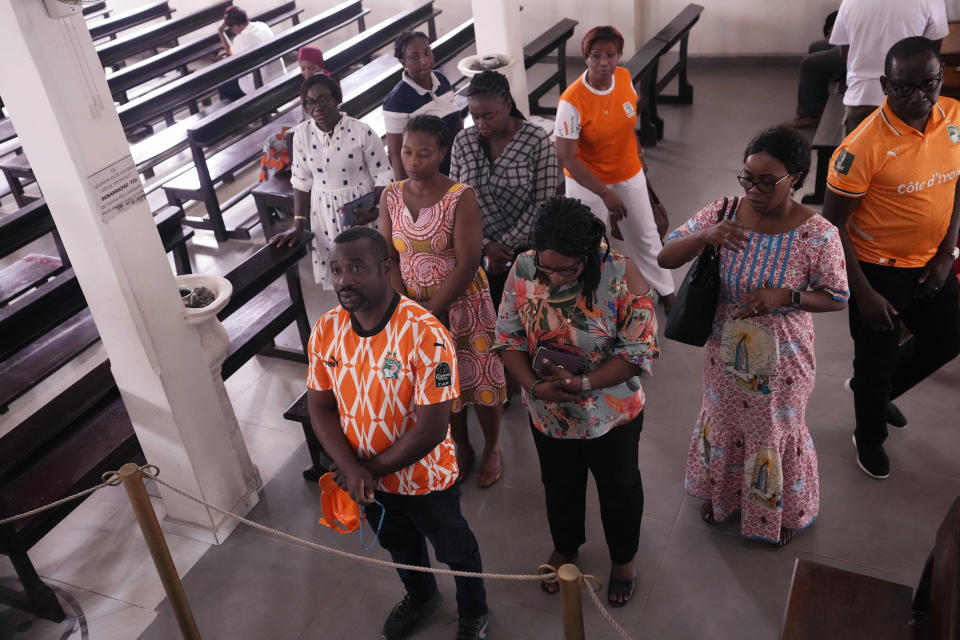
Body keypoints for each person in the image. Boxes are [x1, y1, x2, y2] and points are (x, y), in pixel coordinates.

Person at [658, 126, 849, 545]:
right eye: (748, 178)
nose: (755, 191)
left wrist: (788, 295)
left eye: (768, 182)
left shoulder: (818, 234)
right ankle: (722, 495)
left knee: (772, 433)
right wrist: (705, 235)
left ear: (796, 177)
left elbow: (837, 296)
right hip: (726, 349)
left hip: (783, 356)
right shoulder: (726, 210)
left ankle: (776, 513)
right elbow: (665, 254)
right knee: (724, 422)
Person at [307, 227, 491, 640]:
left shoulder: (426, 335)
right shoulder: (327, 330)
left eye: (356, 267)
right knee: (399, 543)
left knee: (455, 549)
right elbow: (319, 405)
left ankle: (474, 613)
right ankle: (422, 596)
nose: (343, 280)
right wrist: (350, 467)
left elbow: (432, 426)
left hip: (424, 478)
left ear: (385, 268)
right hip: (368, 479)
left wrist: (364, 470)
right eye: (336, 269)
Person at [495, 197, 659, 607]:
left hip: (611, 414)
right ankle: (566, 546)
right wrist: (532, 387)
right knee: (559, 485)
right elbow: (508, 337)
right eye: (546, 268)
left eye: (566, 270)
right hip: (549, 411)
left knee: (619, 488)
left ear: (589, 255)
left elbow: (636, 353)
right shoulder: (524, 267)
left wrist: (583, 382)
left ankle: (623, 560)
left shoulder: (623, 276)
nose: (551, 278)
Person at [822, 37, 960, 479]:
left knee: (947, 339)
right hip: (877, 270)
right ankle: (869, 436)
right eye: (905, 87)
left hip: (932, 262)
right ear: (885, 84)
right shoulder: (861, 148)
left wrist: (945, 253)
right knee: (876, 356)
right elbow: (831, 227)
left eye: (929, 83)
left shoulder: (955, 116)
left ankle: (875, 393)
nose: (919, 95)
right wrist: (862, 293)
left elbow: (957, 185)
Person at [379, 115, 506, 488]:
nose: (413, 161)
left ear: (442, 153)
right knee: (441, 383)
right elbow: (389, 254)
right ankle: (461, 445)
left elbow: (468, 262)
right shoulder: (390, 196)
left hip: (462, 302)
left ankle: (493, 446)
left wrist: (431, 311)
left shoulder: (460, 197)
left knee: (479, 376)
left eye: (423, 153)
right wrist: (407, 306)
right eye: (406, 152)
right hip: (413, 305)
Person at [554, 25, 676, 311]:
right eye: (596, 56)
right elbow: (568, 157)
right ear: (586, 58)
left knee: (645, 233)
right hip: (587, 180)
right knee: (589, 242)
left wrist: (638, 155)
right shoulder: (571, 101)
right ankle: (592, 299)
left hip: (627, 171)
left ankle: (666, 290)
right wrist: (605, 193)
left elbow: (627, 123)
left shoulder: (623, 78)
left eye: (611, 55)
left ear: (620, 55)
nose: (604, 62)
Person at [269, 74, 393, 291]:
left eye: (324, 99)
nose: (317, 107)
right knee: (340, 277)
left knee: (368, 272)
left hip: (360, 212)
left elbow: (383, 175)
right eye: (310, 102)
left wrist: (374, 211)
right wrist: (298, 224)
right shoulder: (301, 135)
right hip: (324, 216)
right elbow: (301, 180)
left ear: (337, 99)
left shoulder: (361, 131)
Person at [449, 70, 559, 310]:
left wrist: (505, 249)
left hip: (526, 252)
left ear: (507, 104)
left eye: (488, 116)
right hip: (475, 254)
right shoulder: (463, 142)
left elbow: (542, 203)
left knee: (524, 317)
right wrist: (486, 247)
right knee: (485, 320)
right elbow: (454, 201)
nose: (480, 124)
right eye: (474, 116)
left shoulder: (535, 140)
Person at [829, 0, 948, 134]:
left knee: (857, 154)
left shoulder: (850, 2)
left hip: (862, 97)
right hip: (908, 100)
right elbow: (931, 57)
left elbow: (845, 53)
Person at [383, 31, 462, 179]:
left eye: (427, 52)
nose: (424, 61)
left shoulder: (441, 79)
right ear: (403, 62)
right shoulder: (397, 101)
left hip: (456, 166)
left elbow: (456, 119)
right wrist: (406, 192)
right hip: (429, 177)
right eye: (415, 57)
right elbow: (396, 154)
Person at [257, 46, 332, 183]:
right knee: (275, 139)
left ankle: (272, 184)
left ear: (320, 67)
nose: (306, 72)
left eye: (311, 68)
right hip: (314, 133)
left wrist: (296, 132)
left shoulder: (317, 89)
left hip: (316, 141)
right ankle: (272, 182)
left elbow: (316, 123)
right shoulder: (324, 81)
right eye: (303, 68)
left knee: (271, 143)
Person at [782, 11, 846, 130]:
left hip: (861, 48)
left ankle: (808, 114)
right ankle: (819, 102)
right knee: (816, 47)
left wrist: (839, 32)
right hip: (854, 40)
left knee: (809, 64)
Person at [217, 6, 286, 98]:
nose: (232, 31)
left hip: (263, 87)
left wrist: (221, 31)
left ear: (236, 25)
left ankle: (245, 110)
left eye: (231, 28)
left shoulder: (241, 39)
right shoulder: (262, 25)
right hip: (280, 76)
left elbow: (230, 53)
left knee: (222, 86)